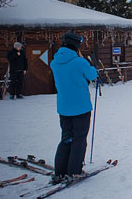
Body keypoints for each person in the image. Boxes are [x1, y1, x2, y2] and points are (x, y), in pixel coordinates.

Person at [50, 31, 97, 180]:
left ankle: (60, 171)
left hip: (64, 107)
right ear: (76, 45)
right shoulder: (80, 62)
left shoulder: (55, 62)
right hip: (81, 107)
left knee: (66, 138)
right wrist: (90, 65)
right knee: (79, 138)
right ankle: (74, 170)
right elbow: (92, 75)